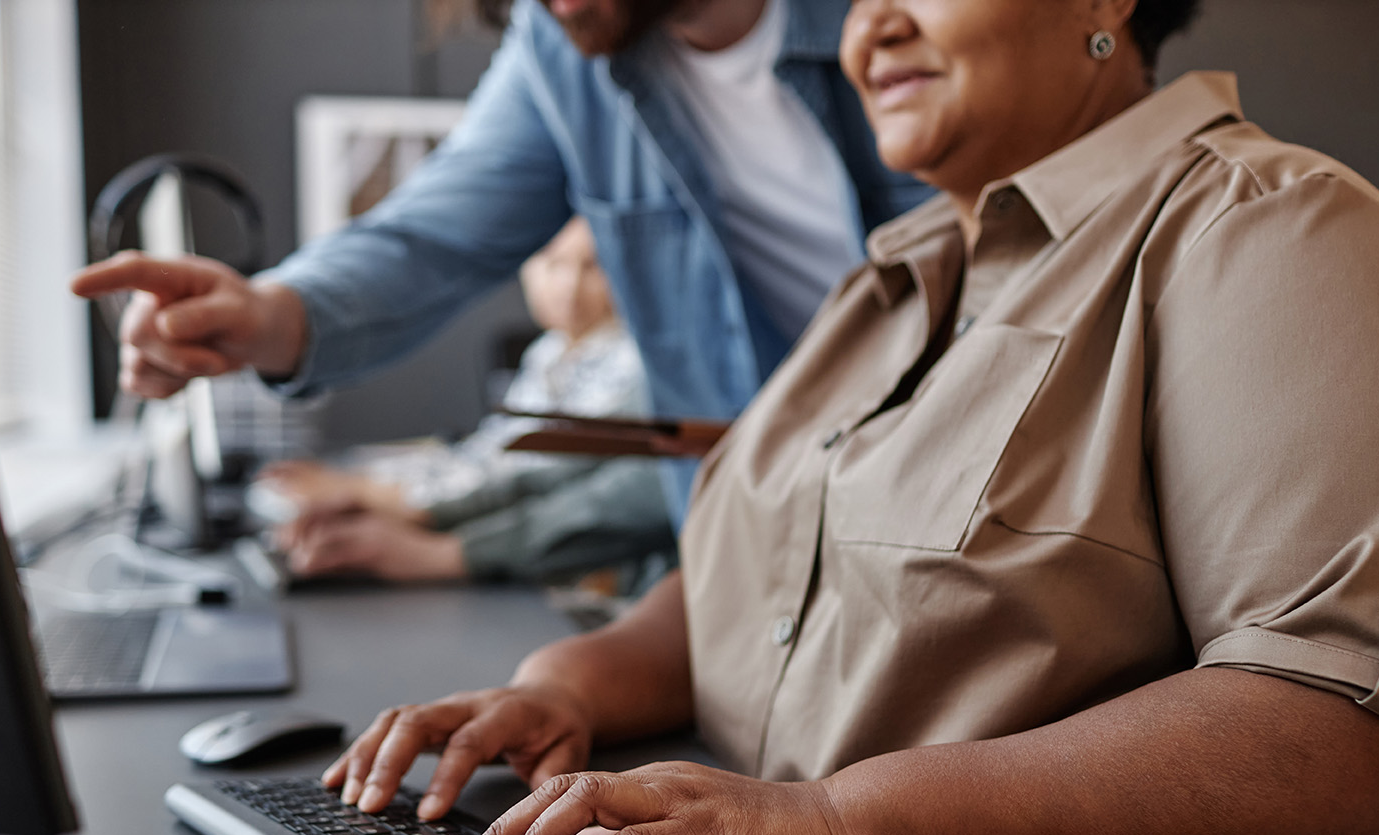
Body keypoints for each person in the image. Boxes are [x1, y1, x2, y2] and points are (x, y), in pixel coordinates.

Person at [319, 0, 1379, 835]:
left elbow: (1334, 743)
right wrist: (565, 689)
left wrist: (829, 825)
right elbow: (753, 581)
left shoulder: (1270, 231)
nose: (873, 25)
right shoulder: (887, 280)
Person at [70, 0, 935, 523]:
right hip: (758, 543)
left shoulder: (915, 30)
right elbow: (429, 236)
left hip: (944, 500)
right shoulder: (560, 50)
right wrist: (266, 316)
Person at [259, 217, 674, 587]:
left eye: (593, 266)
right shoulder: (551, 351)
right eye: (552, 262)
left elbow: (542, 470)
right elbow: (497, 456)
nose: (568, 286)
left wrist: (396, 504)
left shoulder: (634, 361)